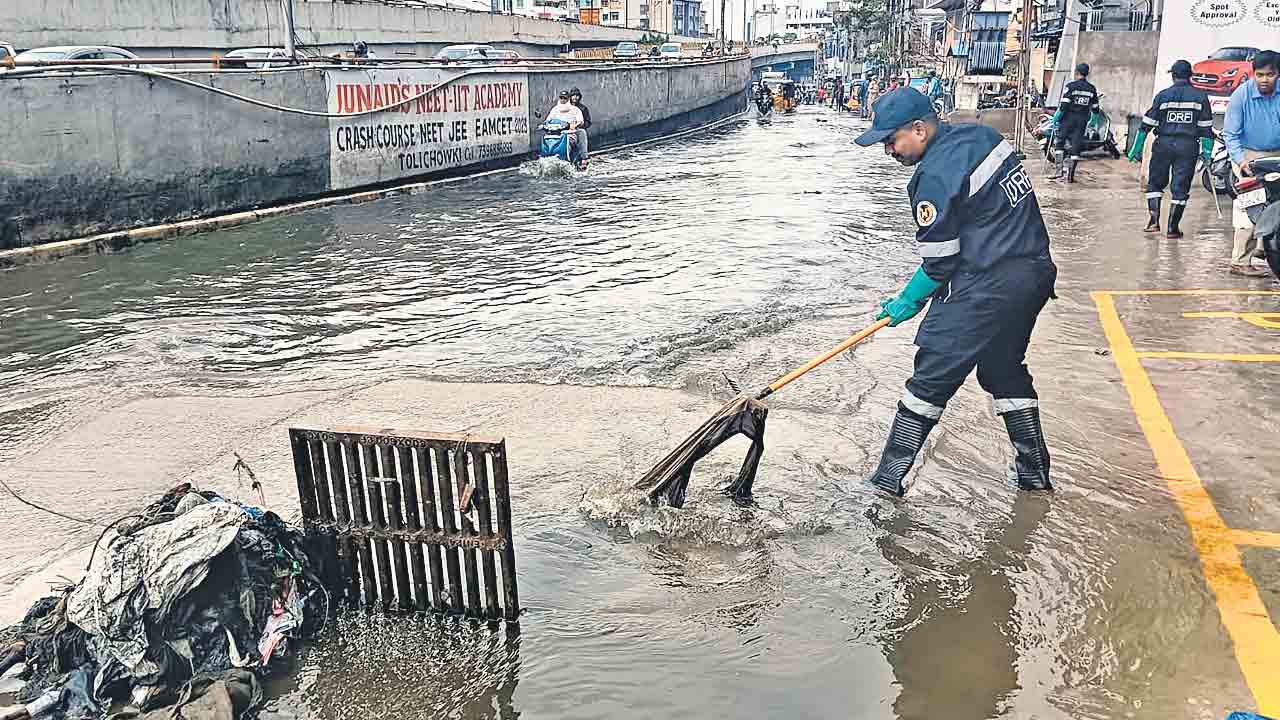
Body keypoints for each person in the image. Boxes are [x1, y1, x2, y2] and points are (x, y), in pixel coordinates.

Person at [854, 88, 1057, 496]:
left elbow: (941, 263)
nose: (888, 151)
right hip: (1033, 275)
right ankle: (1034, 477)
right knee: (1002, 369)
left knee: (929, 378)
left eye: (891, 140)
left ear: (918, 128)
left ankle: (884, 484)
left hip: (987, 286)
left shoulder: (931, 177)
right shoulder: (980, 137)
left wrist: (906, 301)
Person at [1126, 60, 1214, 238]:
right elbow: (1206, 130)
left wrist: (1136, 148)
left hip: (1163, 145)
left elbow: (1146, 125)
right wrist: (1206, 153)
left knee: (1155, 183)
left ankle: (1153, 222)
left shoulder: (1163, 96)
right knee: (1180, 187)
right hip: (1188, 147)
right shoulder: (1200, 97)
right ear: (1190, 76)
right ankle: (1173, 229)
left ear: (1173, 76)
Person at [1222, 50, 1280, 277]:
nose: (1265, 79)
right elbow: (1230, 134)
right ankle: (1240, 261)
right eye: (1260, 74)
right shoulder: (1241, 96)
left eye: (1270, 74)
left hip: (1277, 154)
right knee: (1249, 206)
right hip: (1249, 155)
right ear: (1253, 73)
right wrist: (1241, 160)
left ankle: (1265, 248)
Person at [1051, 63, 1100, 183]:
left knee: (1060, 143)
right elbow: (1095, 109)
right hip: (1082, 121)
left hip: (1068, 120)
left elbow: (1063, 106)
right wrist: (1092, 122)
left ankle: (1058, 172)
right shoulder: (1092, 89)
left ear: (1077, 72)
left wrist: (1055, 118)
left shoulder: (1071, 86)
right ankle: (1070, 177)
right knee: (1076, 147)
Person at [544, 90, 584, 160]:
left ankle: (577, 158)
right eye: (561, 98)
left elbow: (580, 121)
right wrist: (544, 124)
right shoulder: (555, 109)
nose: (563, 100)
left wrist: (574, 125)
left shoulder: (575, 109)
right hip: (554, 134)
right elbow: (548, 120)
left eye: (565, 98)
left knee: (578, 135)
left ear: (568, 99)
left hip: (569, 134)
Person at [569, 87, 591, 169]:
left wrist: (579, 125)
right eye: (573, 95)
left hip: (578, 130)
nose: (575, 97)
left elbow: (588, 122)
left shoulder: (583, 108)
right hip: (566, 130)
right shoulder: (565, 108)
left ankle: (584, 158)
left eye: (577, 95)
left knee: (582, 132)